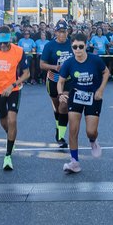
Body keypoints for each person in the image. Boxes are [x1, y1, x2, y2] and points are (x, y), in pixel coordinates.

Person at [57, 32, 110, 173]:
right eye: (75, 47)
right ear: (71, 48)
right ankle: (74, 162)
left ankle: (93, 141)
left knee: (91, 132)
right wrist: (60, 94)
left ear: (86, 46)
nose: (78, 50)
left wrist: (101, 90)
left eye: (81, 46)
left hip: (93, 97)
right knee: (73, 130)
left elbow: (106, 72)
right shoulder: (69, 63)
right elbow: (60, 81)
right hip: (76, 96)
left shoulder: (95, 60)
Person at [0, 26, 29, 171]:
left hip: (13, 89)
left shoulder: (19, 51)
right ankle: (11, 137)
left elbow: (27, 73)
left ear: (10, 40)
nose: (3, 46)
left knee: (12, 120)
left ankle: (8, 155)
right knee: (4, 122)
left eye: (6, 43)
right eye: (0, 44)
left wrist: (12, 85)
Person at [40, 20, 73, 148]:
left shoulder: (72, 44)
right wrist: (55, 67)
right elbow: (42, 64)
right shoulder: (50, 46)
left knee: (64, 105)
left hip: (68, 80)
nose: (62, 34)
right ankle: (58, 127)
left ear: (67, 32)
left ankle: (60, 136)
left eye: (64, 31)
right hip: (53, 79)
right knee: (57, 107)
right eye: (60, 32)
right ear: (56, 32)